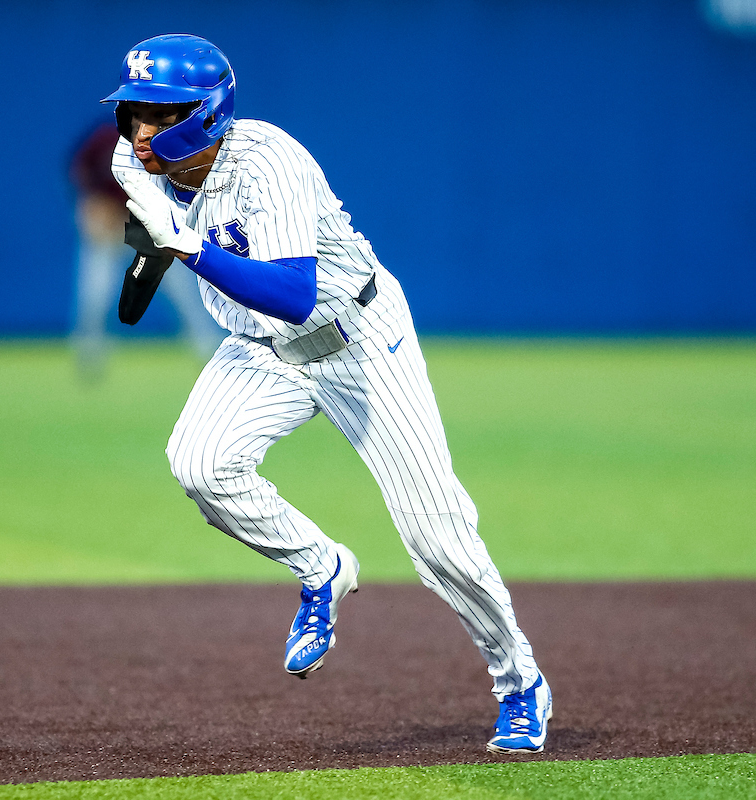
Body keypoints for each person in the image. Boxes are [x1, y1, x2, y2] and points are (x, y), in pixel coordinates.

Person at [101, 34, 551, 753]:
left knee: (437, 541)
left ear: (207, 114)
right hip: (259, 348)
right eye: (133, 113)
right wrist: (158, 247)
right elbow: (158, 232)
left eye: (160, 115)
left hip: (359, 340)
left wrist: (185, 246)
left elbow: (291, 293)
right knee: (201, 463)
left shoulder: (269, 161)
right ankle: (322, 567)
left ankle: (519, 681)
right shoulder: (133, 161)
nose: (140, 131)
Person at [69, 119, 223, 379]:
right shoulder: (104, 140)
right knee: (95, 296)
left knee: (183, 294)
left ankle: (207, 350)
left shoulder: (163, 143)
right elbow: (80, 173)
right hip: (109, 232)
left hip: (149, 232)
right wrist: (90, 203)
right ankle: (89, 354)